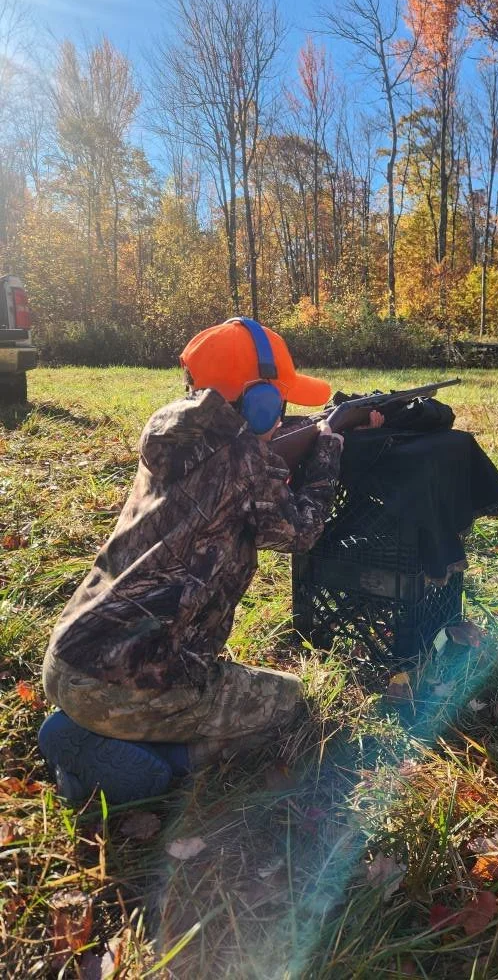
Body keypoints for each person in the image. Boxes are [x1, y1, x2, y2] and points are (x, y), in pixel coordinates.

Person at [38, 318, 373, 805]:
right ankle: (142, 764)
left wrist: (294, 439)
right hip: (132, 683)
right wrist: (327, 449)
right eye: (279, 403)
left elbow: (234, 470)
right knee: (290, 705)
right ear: (259, 403)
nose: (282, 414)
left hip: (71, 660)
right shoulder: (243, 460)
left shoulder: (169, 429)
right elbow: (301, 532)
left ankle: (89, 728)